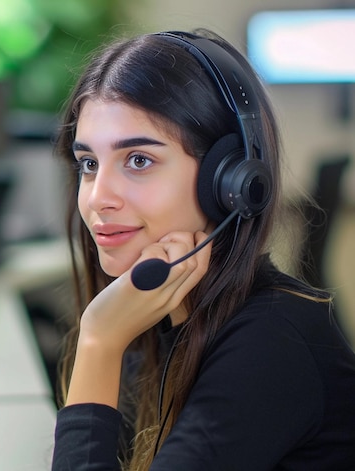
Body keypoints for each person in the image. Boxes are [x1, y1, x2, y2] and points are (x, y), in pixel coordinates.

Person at [50, 28, 355, 470]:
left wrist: (99, 341)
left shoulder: (270, 345)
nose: (98, 197)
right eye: (89, 164)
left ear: (229, 181)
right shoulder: (160, 318)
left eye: (139, 160)